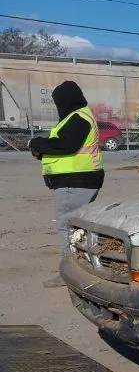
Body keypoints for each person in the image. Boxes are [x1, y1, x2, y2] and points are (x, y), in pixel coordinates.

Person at [29, 81, 105, 288]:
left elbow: (65, 145)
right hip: (79, 180)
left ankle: (71, 274)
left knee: (69, 228)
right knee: (78, 228)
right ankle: (85, 269)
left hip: (77, 181)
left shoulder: (78, 118)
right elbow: (64, 146)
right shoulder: (77, 117)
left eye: (58, 101)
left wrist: (36, 144)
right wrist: (43, 150)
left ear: (65, 100)